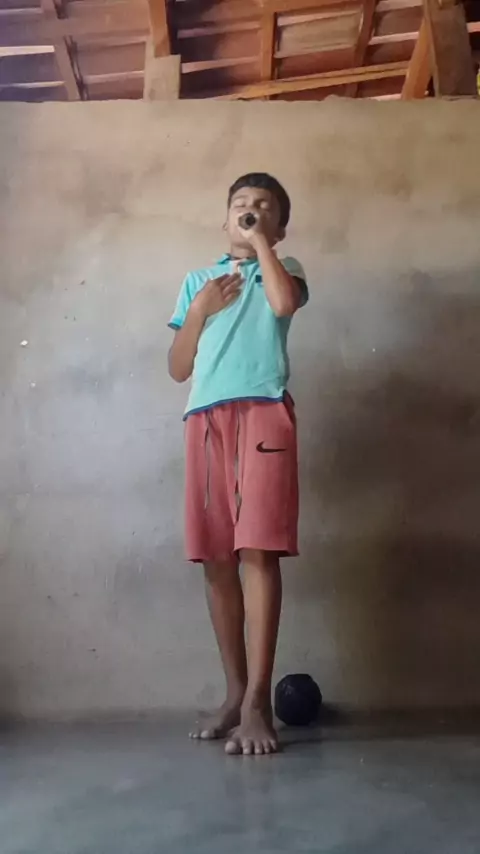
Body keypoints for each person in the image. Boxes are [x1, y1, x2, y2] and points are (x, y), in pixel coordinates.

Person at [168, 173, 308, 756]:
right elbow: (178, 367)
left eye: (263, 207)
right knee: (217, 557)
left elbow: (283, 304)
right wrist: (200, 310)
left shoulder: (286, 266)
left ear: (279, 226)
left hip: (263, 412)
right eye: (240, 206)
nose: (249, 211)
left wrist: (262, 247)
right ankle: (233, 693)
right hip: (205, 419)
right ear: (224, 220)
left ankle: (257, 703)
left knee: (258, 550)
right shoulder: (197, 282)